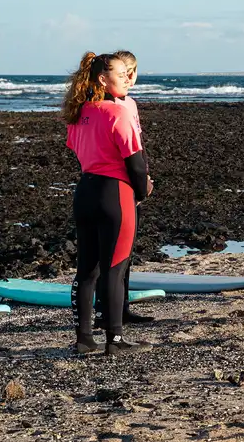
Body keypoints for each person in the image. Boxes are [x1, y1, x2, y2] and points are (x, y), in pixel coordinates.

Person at [63, 52, 153, 355]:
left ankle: (84, 338)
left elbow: (79, 153)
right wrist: (142, 191)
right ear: (103, 79)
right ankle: (115, 340)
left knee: (86, 270)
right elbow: (136, 164)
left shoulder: (78, 113)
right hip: (115, 193)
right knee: (115, 268)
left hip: (85, 192)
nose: (127, 78)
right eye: (121, 74)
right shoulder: (119, 113)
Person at [94, 50, 154, 328]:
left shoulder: (130, 103)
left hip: (132, 181)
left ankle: (122, 308)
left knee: (125, 252)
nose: (130, 78)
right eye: (125, 73)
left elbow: (137, 145)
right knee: (109, 255)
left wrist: (144, 177)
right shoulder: (110, 106)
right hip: (116, 184)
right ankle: (105, 312)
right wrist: (137, 185)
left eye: (131, 73)